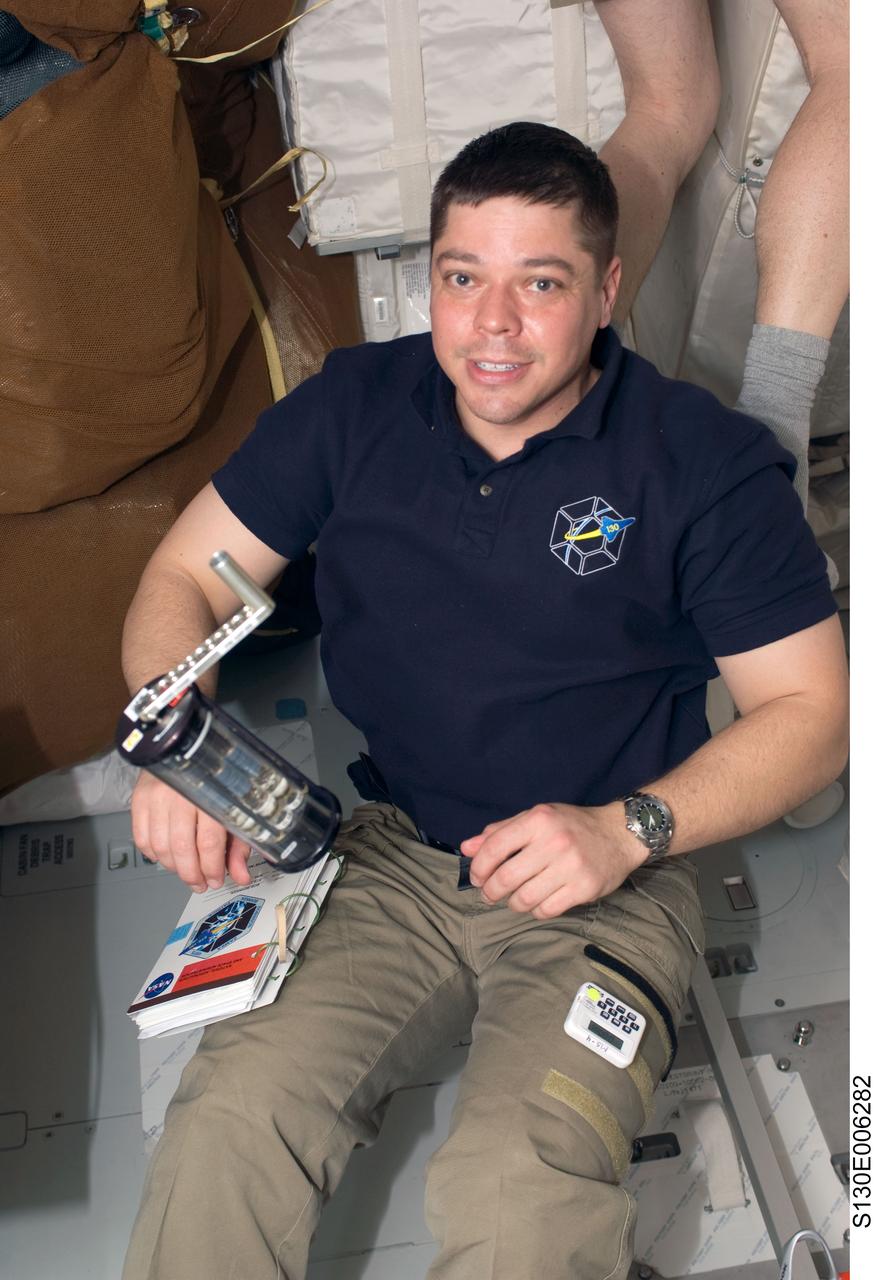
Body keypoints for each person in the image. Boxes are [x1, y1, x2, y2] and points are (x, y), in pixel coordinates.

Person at [121, 123, 848, 1280]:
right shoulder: (354, 406)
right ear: (433, 278)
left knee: (516, 1180)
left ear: (606, 290)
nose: (491, 326)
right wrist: (174, 738)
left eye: (540, 283)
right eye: (463, 278)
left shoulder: (697, 467)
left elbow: (814, 714)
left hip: (608, 879)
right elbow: (185, 575)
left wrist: (625, 830)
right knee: (230, 1116)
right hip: (393, 855)